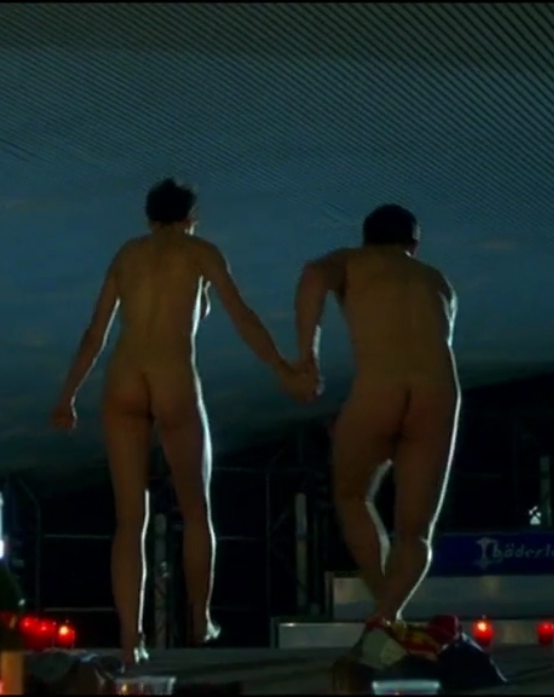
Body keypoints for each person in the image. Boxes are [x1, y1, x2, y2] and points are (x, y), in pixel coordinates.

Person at [49, 178, 315, 666]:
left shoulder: (128, 254)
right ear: (193, 218)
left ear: (148, 218)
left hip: (124, 378)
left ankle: (130, 638)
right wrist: (282, 369)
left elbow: (94, 334)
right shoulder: (200, 252)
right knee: (195, 510)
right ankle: (200, 617)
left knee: (129, 520)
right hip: (173, 379)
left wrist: (68, 397)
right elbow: (242, 316)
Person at [293, 203, 460, 625]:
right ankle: (388, 615)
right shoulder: (438, 281)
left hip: (380, 387)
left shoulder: (353, 261)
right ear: (415, 245)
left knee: (352, 496)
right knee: (416, 531)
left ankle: (386, 612)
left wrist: (308, 356)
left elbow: (313, 275)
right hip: (439, 393)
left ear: (365, 239)